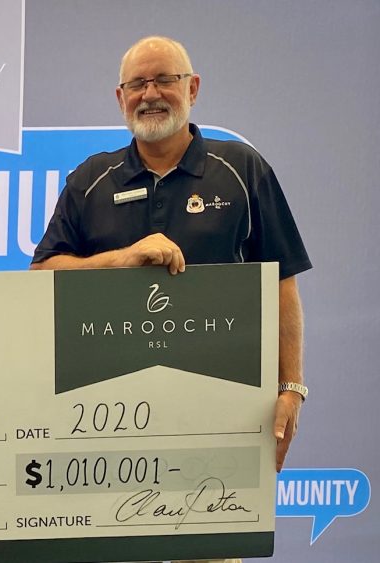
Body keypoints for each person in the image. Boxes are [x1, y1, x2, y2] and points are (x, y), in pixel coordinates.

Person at [31, 36, 311, 563]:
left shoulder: (242, 170)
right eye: (137, 84)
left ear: (193, 88)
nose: (151, 93)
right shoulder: (91, 180)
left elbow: (281, 281)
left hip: (216, 424)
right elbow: (42, 273)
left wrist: (290, 387)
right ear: (120, 98)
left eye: (165, 79)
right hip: (103, 426)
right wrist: (121, 258)